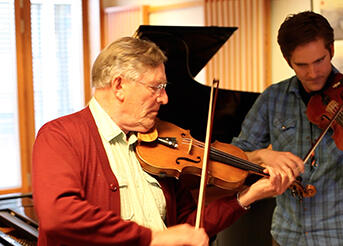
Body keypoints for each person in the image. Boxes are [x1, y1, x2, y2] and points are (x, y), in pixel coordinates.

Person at [31, 37, 297, 246]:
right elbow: (59, 216)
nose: (165, 98)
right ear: (119, 86)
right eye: (156, 87)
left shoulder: (161, 145)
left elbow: (185, 226)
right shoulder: (60, 136)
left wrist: (250, 195)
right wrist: (153, 239)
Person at [231, 11, 343, 246]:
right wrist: (262, 155)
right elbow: (235, 156)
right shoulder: (273, 98)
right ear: (288, 61)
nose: (313, 73)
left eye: (319, 60)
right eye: (302, 65)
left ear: (332, 50)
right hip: (287, 237)